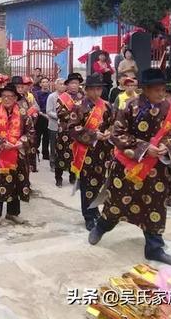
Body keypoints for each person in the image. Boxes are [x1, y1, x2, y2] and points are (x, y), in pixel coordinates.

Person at [88, 68, 171, 266]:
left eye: (163, 89)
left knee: (155, 205)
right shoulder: (130, 107)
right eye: (157, 90)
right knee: (117, 202)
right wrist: (144, 148)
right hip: (128, 166)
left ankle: (154, 248)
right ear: (145, 90)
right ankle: (101, 227)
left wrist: (167, 145)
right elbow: (117, 133)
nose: (161, 93)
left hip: (156, 169)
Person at [67, 74, 114, 231]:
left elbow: (115, 124)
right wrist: (94, 135)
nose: (97, 92)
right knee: (87, 184)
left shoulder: (107, 106)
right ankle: (88, 215)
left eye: (99, 88)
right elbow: (73, 128)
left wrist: (109, 132)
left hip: (104, 151)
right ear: (86, 90)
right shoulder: (78, 106)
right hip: (86, 151)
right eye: (93, 89)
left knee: (101, 183)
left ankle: (96, 212)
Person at [0, 83, 34, 226]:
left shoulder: (23, 113)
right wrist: (0, 142)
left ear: (16, 98)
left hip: (17, 153)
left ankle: (13, 213)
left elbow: (30, 132)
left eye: (10, 96)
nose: (7, 99)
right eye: (4, 96)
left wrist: (21, 142)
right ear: (0, 98)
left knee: (16, 183)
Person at [55, 72, 84, 187]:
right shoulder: (62, 98)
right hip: (64, 130)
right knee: (61, 153)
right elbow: (60, 113)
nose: (73, 85)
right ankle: (58, 177)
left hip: (78, 131)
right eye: (71, 83)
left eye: (76, 83)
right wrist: (75, 113)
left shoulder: (83, 96)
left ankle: (73, 177)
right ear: (67, 85)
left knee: (75, 154)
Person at [46, 79, 65, 173]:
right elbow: (48, 111)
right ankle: (52, 163)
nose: (62, 86)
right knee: (53, 145)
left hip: (65, 127)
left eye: (64, 84)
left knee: (63, 146)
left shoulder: (67, 97)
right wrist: (59, 116)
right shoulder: (51, 96)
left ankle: (63, 164)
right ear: (56, 86)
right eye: (60, 84)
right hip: (54, 125)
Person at [34, 77, 51, 164]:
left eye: (46, 82)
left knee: (47, 136)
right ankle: (35, 151)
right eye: (43, 82)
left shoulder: (51, 94)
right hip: (40, 116)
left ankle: (45, 153)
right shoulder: (36, 94)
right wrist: (41, 113)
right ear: (40, 84)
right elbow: (35, 106)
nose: (45, 84)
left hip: (49, 117)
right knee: (37, 135)